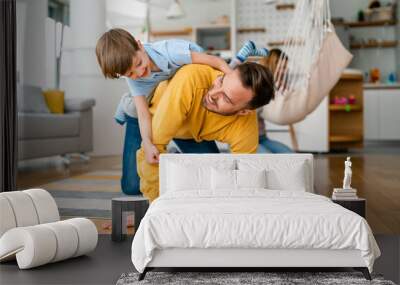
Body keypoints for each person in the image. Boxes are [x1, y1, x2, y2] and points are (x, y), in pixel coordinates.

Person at [95, 28, 268, 195]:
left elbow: (215, 62)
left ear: (140, 45)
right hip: (148, 112)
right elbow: (143, 114)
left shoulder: (172, 52)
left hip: (185, 112)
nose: (139, 73)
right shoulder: (135, 78)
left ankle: (176, 152)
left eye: (139, 64)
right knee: (132, 186)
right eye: (130, 73)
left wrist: (229, 77)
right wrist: (147, 142)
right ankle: (126, 110)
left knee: (212, 179)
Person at [136, 62, 275, 201]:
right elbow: (153, 148)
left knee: (211, 178)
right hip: (149, 119)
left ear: (244, 111)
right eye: (221, 80)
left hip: (191, 134)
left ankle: (177, 157)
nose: (213, 94)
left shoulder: (245, 127)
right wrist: (157, 204)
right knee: (133, 185)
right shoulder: (191, 78)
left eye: (226, 98)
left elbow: (243, 175)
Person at [257, 48, 293, 153]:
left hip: (262, 138)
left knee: (290, 155)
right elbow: (258, 110)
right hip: (245, 140)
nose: (285, 71)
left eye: (285, 68)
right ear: (272, 66)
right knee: (270, 160)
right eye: (282, 68)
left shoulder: (276, 86)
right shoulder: (257, 84)